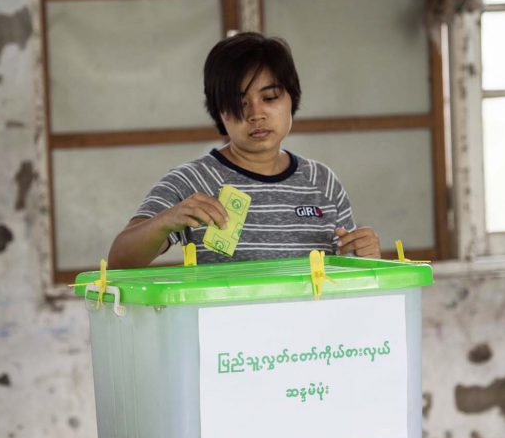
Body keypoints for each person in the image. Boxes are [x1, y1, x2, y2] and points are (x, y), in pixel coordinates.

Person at [107, 32, 380, 269]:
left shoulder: (323, 182)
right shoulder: (193, 182)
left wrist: (363, 255)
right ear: (219, 112)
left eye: (270, 97)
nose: (256, 114)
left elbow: (347, 268)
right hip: (222, 330)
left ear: (291, 99)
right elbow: (120, 261)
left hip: (311, 330)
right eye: (240, 103)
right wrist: (167, 220)